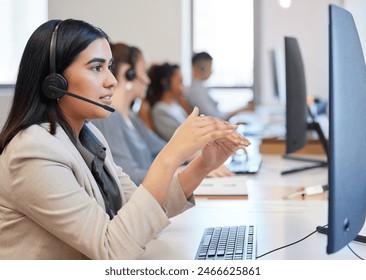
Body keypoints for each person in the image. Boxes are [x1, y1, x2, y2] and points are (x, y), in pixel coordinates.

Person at [0, 19, 250, 260]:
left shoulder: (88, 135)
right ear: (55, 82)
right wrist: (172, 155)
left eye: (109, 67)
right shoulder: (33, 150)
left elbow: (137, 210)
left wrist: (203, 165)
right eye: (97, 68)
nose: (113, 81)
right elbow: (112, 250)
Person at [92, 43, 166, 186]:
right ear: (128, 73)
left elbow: (160, 149)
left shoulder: (130, 116)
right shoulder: (109, 117)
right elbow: (128, 175)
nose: (147, 80)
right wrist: (180, 174)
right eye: (144, 71)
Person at [185, 52, 254, 121]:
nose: (211, 71)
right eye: (210, 67)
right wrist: (243, 109)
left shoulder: (199, 87)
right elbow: (215, 117)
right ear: (202, 68)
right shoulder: (196, 91)